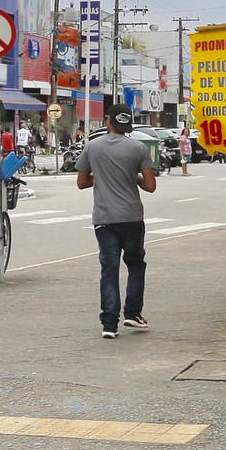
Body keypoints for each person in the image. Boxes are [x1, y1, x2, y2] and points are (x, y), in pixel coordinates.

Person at [76, 107, 157, 338]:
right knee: (135, 264)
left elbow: (82, 182)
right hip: (131, 217)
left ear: (108, 121)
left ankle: (108, 325)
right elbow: (150, 186)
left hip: (104, 219)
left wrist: (100, 176)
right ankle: (132, 313)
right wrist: (135, 176)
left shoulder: (92, 146)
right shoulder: (138, 148)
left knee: (109, 269)